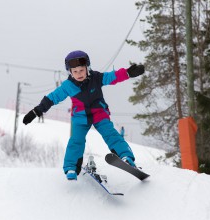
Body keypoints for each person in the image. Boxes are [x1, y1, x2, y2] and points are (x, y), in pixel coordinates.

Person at [22, 50, 145, 180]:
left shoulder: (96, 78)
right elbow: (52, 98)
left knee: (111, 134)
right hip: (80, 118)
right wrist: (36, 111)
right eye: (74, 72)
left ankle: (126, 157)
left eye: (81, 70)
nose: (78, 74)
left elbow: (112, 77)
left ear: (87, 68)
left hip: (99, 114)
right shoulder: (67, 86)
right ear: (70, 72)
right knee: (76, 140)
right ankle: (71, 167)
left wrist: (127, 73)